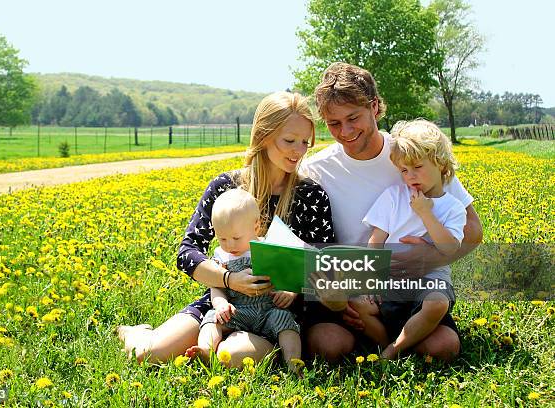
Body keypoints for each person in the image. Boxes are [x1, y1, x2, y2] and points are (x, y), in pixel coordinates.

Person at [118, 91, 335, 367]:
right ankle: (136, 333)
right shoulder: (225, 187)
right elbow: (187, 253)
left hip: (278, 314)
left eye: (305, 142)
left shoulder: (311, 195)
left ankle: (247, 345)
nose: (299, 151)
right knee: (148, 355)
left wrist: (295, 289)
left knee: (228, 357)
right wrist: (230, 280)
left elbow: (324, 262)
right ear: (262, 137)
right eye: (289, 141)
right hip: (223, 306)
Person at [300, 62, 483, 362]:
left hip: (415, 284)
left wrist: (426, 259)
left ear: (373, 107)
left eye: (353, 118)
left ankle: (395, 343)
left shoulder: (412, 154)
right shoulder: (317, 169)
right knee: (327, 344)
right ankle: (382, 340)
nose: (345, 131)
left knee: (443, 347)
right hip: (358, 289)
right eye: (333, 123)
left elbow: (473, 231)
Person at [348, 119, 467, 359]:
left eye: (417, 167)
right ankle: (387, 344)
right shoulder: (394, 196)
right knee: (357, 303)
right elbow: (376, 240)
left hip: (430, 280)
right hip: (390, 280)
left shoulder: (452, 207)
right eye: (404, 170)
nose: (410, 176)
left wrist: (425, 213)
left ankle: (395, 349)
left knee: (436, 304)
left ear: (441, 163)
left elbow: (449, 247)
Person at [185, 188, 301, 372]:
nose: (229, 245)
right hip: (237, 310)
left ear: (256, 226)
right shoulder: (222, 256)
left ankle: (293, 363)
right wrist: (221, 304)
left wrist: (290, 291)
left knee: (286, 322)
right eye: (222, 238)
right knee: (211, 319)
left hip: (269, 311)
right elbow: (217, 286)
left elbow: (292, 273)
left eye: (236, 238)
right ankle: (206, 350)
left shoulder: (270, 246)